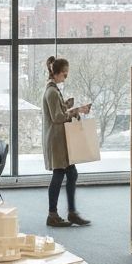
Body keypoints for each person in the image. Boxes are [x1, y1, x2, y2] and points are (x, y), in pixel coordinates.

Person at [42, 55, 92, 228]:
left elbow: (58, 112)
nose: (66, 77)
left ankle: (71, 212)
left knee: (71, 173)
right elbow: (57, 117)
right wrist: (74, 110)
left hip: (59, 139)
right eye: (64, 74)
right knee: (59, 174)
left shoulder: (53, 90)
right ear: (55, 74)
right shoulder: (51, 92)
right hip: (56, 140)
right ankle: (53, 214)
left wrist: (67, 106)